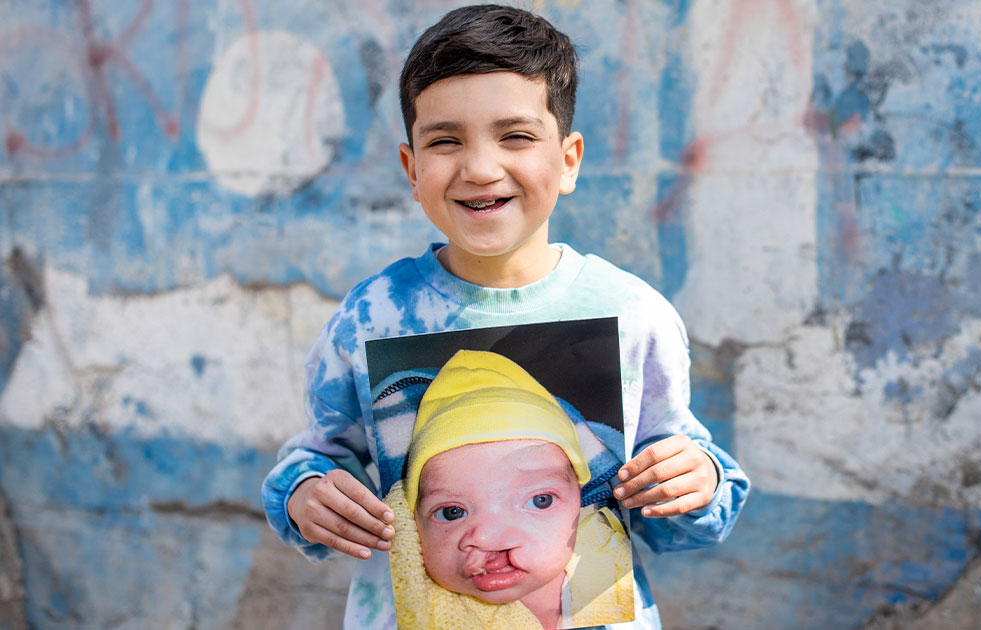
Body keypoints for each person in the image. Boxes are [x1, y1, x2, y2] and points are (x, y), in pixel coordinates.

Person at [261, 5, 750, 629]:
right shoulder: (371, 316)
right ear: (413, 169)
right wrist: (308, 491)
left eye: (515, 136)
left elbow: (681, 491)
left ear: (568, 159)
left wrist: (695, 480)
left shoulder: (632, 313)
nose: (481, 168)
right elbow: (319, 456)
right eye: (445, 140)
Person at [383, 349, 634, 629]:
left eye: (540, 501)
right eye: (453, 512)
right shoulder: (419, 606)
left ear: (581, 499)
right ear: (413, 522)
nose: (490, 538)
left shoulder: (612, 553)